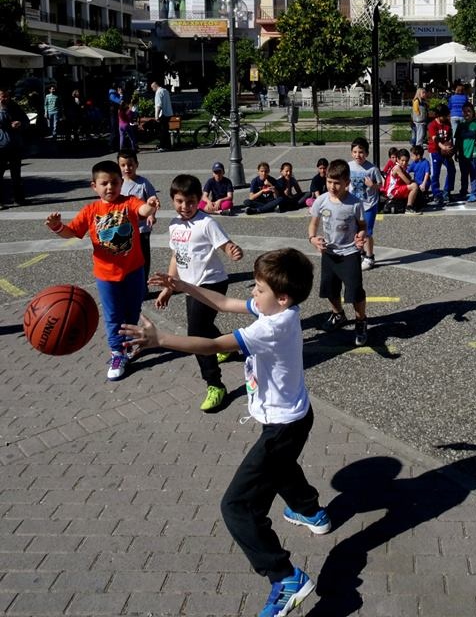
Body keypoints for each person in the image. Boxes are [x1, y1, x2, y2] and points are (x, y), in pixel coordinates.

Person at [121, 248, 326, 617]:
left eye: (259, 287)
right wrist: (183, 285)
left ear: (281, 297)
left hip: (284, 426)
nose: (252, 291)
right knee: (278, 465)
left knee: (237, 506)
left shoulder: (270, 327)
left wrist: (160, 340)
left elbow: (214, 345)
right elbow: (224, 301)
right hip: (291, 417)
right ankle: (310, 511)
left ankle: (285, 576)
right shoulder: (280, 309)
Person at [44, 159, 160, 381]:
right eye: (104, 183)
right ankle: (117, 352)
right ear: (94, 186)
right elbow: (72, 232)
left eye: (115, 183)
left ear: (121, 184)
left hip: (134, 270)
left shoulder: (129, 202)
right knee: (113, 315)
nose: (110, 187)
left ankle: (127, 344)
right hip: (106, 275)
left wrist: (151, 205)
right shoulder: (91, 210)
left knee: (132, 312)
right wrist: (57, 226)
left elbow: (143, 210)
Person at [158, 173, 243, 411]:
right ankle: (225, 347)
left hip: (212, 282)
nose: (185, 207)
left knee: (195, 332)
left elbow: (226, 245)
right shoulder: (174, 225)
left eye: (191, 202)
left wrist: (234, 252)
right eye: (179, 201)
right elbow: (176, 256)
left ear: (199, 200)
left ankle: (215, 384)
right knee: (202, 326)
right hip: (189, 286)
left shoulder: (207, 223)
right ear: (172, 200)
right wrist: (168, 287)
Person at [309, 158, 368, 345]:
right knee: (330, 288)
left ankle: (360, 322)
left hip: (349, 252)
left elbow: (362, 226)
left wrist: (360, 236)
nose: (332, 187)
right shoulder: (321, 201)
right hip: (329, 252)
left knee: (355, 291)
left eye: (337, 183)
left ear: (347, 183)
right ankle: (338, 314)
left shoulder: (355, 203)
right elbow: (313, 224)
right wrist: (313, 239)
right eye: (329, 182)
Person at [118, 149, 157, 287]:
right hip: (124, 230)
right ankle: (127, 282)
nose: (126, 168)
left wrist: (152, 214)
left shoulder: (143, 183)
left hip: (142, 229)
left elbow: (153, 200)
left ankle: (143, 284)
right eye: (123, 165)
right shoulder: (118, 184)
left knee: (143, 257)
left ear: (136, 165)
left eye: (130, 165)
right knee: (126, 256)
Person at [348, 136, 382, 272]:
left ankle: (369, 256)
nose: (358, 155)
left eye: (361, 152)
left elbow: (381, 185)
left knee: (367, 232)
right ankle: (359, 252)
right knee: (354, 230)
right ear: (351, 153)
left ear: (367, 153)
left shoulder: (372, 169)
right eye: (355, 152)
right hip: (353, 205)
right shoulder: (349, 166)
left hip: (369, 205)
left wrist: (372, 185)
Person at [0, 85, 30, 207]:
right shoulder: (2, 108)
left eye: (7, 96)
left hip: (15, 145)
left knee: (16, 175)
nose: (5, 98)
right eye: (2, 96)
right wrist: (2, 109)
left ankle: (19, 199)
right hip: (1, 146)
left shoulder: (14, 106)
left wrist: (20, 123)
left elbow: (26, 120)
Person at [427, 103, 455, 207]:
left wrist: (451, 148)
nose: (446, 117)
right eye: (445, 115)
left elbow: (449, 137)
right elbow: (435, 138)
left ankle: (447, 191)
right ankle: (436, 194)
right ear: (438, 115)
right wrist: (442, 146)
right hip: (435, 152)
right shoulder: (432, 125)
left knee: (452, 169)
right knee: (435, 174)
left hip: (445, 152)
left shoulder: (447, 124)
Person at [454, 103, 476, 202]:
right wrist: (456, 152)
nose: (466, 113)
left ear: (473, 112)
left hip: (473, 153)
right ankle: (463, 192)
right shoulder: (461, 125)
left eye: (469, 111)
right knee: (464, 174)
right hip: (462, 154)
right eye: (464, 111)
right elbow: (457, 140)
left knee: (473, 173)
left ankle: (474, 193)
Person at [380, 149, 413, 213]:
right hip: (392, 191)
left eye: (406, 161)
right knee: (414, 186)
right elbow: (408, 182)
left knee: (414, 184)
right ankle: (409, 207)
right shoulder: (397, 168)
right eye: (402, 160)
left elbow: (409, 178)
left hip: (396, 188)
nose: (404, 163)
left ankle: (410, 204)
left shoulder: (402, 167)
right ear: (398, 160)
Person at [151, 80, 173, 152]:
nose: (152, 90)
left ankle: (162, 146)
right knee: (165, 130)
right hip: (168, 113)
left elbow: (158, 105)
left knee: (162, 131)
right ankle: (168, 145)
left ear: (155, 86)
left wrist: (156, 116)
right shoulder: (165, 91)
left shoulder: (158, 92)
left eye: (152, 88)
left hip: (162, 114)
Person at [407, 145, 431, 213]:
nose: (411, 158)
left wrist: (423, 183)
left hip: (424, 183)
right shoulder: (414, 163)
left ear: (418, 156)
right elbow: (407, 170)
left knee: (419, 195)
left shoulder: (426, 162)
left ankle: (420, 201)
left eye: (412, 156)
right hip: (417, 183)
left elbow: (427, 173)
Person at [108, 83, 123, 152]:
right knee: (114, 129)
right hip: (113, 113)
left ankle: (115, 145)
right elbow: (119, 101)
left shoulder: (113, 93)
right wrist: (120, 95)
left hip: (115, 113)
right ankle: (111, 146)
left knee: (116, 129)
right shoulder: (112, 94)